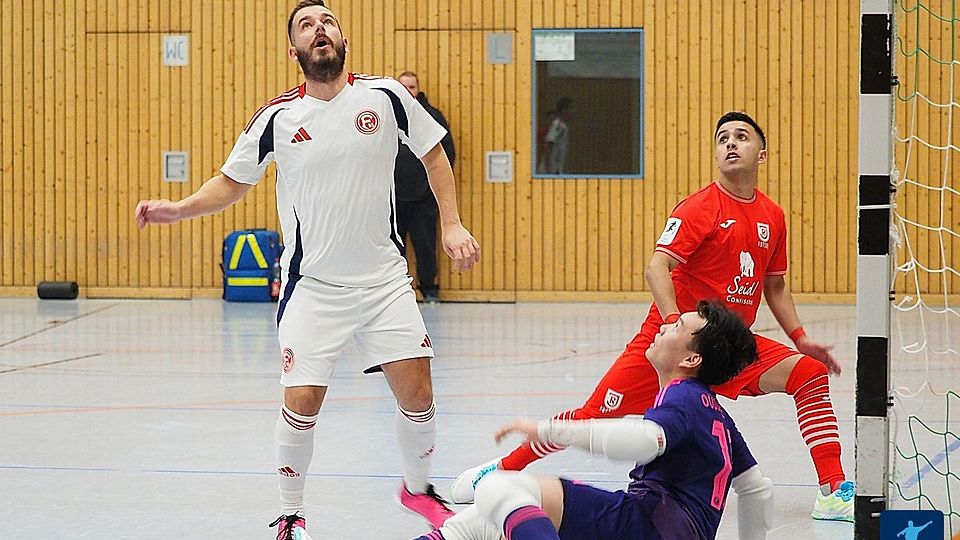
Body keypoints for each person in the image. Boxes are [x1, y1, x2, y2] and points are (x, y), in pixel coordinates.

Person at [133, 1, 480, 538]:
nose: (320, 30)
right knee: (302, 403)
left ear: (342, 39)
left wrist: (452, 224)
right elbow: (232, 182)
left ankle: (418, 489)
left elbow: (434, 153)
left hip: (384, 281)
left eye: (327, 22)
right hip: (312, 288)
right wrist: (178, 209)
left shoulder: (386, 97)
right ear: (293, 50)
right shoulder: (277, 118)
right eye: (306, 26)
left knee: (420, 397)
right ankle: (291, 516)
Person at [453, 111, 855, 522]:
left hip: (730, 345)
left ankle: (833, 490)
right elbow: (656, 267)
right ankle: (502, 469)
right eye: (722, 139)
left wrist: (800, 336)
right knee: (593, 415)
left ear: (762, 153)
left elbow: (775, 285)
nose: (731, 144)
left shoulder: (774, 215)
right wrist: (672, 327)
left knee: (808, 373)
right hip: (674, 339)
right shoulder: (700, 207)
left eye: (741, 137)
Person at [417, 301, 774, 540]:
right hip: (651, 525)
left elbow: (649, 440)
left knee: (498, 488)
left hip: (647, 526)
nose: (665, 326)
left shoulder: (682, 394)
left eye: (678, 326)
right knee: (483, 518)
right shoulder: (716, 414)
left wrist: (553, 430)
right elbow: (757, 488)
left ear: (692, 359)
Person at [395, 71, 455, 304]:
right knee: (393, 248)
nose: (408, 91)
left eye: (412, 87)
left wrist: (435, 190)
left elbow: (446, 154)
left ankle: (430, 289)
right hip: (393, 196)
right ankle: (396, 293)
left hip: (423, 197)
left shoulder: (432, 116)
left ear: (418, 89)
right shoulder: (386, 116)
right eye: (404, 87)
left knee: (425, 245)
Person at [536, 98, 572, 174]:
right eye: (571, 108)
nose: (573, 111)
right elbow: (548, 145)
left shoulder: (563, 126)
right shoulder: (557, 125)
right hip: (549, 172)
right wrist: (550, 171)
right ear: (564, 110)